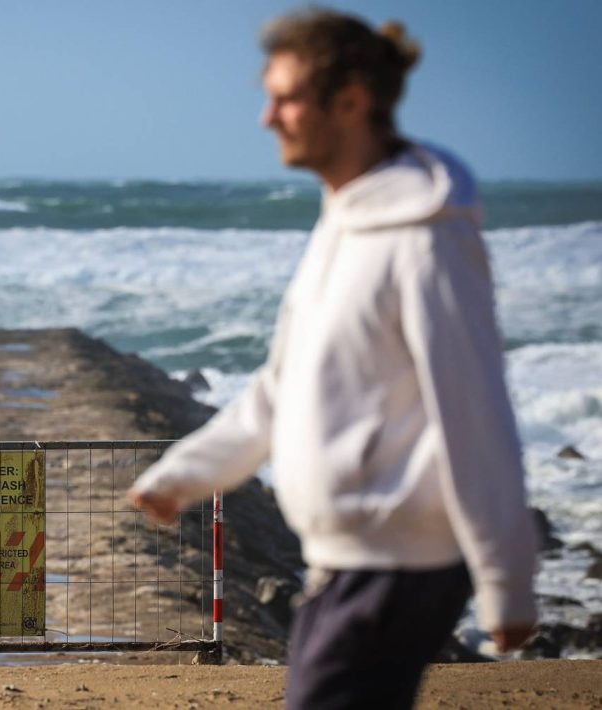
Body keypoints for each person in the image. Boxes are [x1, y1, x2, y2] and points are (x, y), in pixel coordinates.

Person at [128, 7, 537, 708]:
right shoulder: (346, 221)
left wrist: (507, 581)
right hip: (343, 565)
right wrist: (184, 475)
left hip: (397, 569)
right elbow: (280, 389)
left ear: (350, 103)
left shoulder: (425, 239)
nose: (266, 117)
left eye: (286, 98)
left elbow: (473, 409)